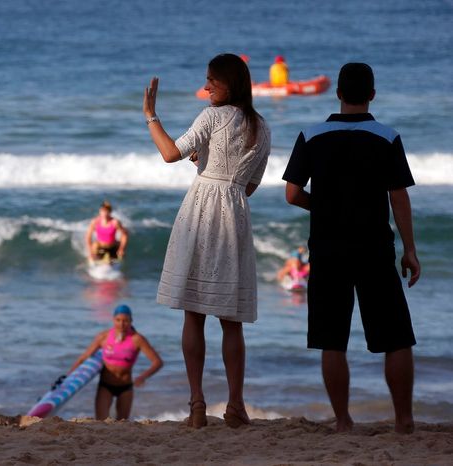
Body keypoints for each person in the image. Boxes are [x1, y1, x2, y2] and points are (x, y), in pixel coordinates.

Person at [282, 63, 419, 434]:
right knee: (396, 336)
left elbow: (292, 194)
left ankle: (343, 421)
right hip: (374, 247)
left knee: (332, 340)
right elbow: (398, 196)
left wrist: (323, 207)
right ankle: (404, 419)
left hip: (327, 250)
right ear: (372, 94)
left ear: (338, 94)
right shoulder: (387, 137)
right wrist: (410, 249)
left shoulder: (311, 135)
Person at [143, 53, 271, 428]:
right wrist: (211, 167)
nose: (206, 87)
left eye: (212, 81)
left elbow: (169, 153)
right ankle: (235, 406)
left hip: (201, 209)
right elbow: (249, 186)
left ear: (231, 83)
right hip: (234, 213)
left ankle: (197, 404)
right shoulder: (261, 127)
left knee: (194, 312)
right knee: (231, 321)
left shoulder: (212, 117)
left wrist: (151, 115)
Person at [70, 304, 163, 420]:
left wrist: (143, 376)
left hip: (125, 387)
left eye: (125, 320)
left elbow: (157, 362)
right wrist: (68, 376)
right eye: (118, 320)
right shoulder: (103, 337)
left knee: (122, 423)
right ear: (113, 320)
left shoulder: (137, 339)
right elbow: (84, 357)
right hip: (105, 386)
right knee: (101, 422)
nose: (122, 324)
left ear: (131, 321)